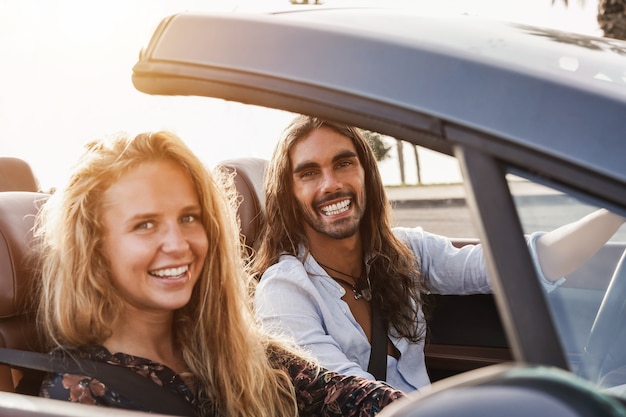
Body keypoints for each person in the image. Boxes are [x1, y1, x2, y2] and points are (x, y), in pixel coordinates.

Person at [35, 131, 405, 417]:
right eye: (145, 225)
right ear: (95, 248)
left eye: (188, 218)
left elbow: (354, 397)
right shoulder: (78, 396)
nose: (178, 243)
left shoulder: (236, 349)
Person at [252, 115, 626, 393]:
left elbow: (516, 265)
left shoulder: (402, 251)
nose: (331, 184)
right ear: (288, 194)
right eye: (309, 173)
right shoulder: (286, 291)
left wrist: (614, 206)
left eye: (343, 163)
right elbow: (357, 400)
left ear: (366, 172)